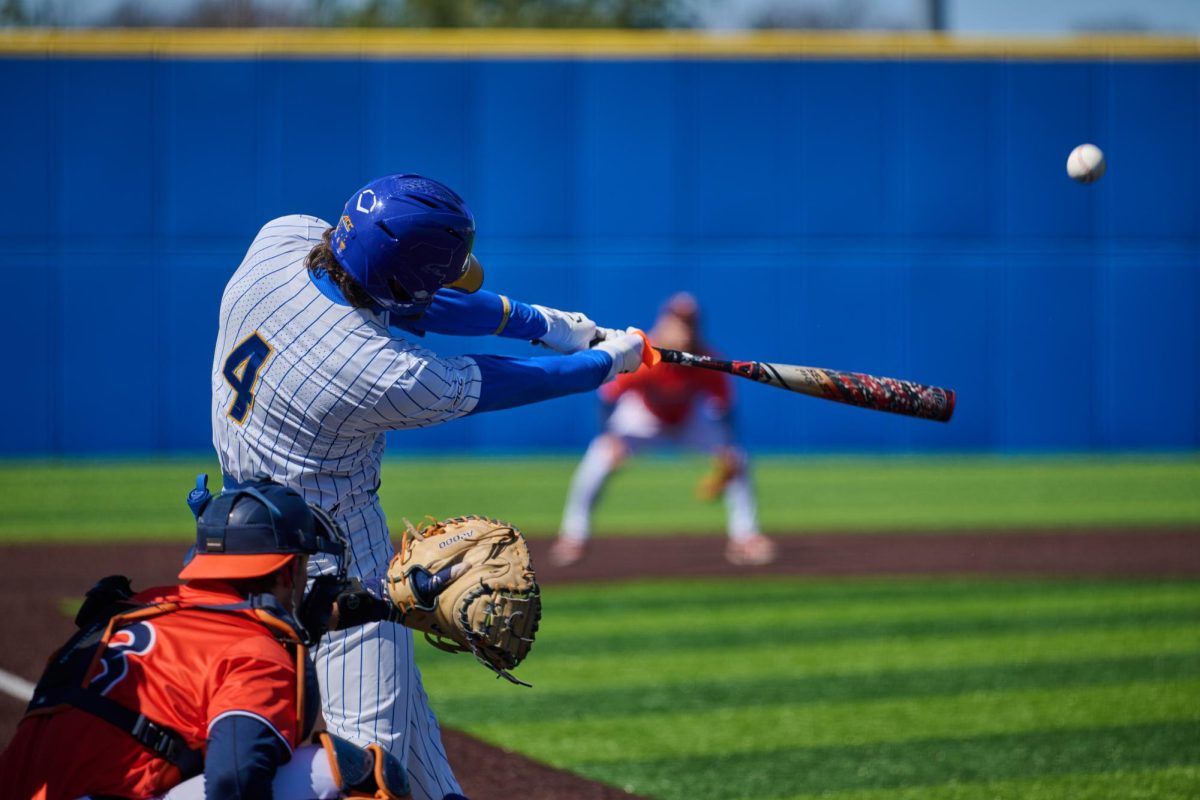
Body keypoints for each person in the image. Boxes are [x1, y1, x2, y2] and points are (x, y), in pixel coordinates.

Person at [210, 173, 645, 800]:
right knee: (366, 779)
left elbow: (410, 300)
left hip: (232, 545)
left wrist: (552, 325)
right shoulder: (371, 368)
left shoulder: (282, 240)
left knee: (421, 762)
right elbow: (495, 381)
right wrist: (604, 363)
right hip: (333, 571)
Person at [0, 479, 407, 800]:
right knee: (353, 775)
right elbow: (234, 781)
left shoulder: (136, 607)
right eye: (303, 566)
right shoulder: (255, 654)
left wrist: (308, 626)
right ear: (287, 572)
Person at [551, 292, 777, 568]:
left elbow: (724, 408)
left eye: (690, 323)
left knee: (737, 460)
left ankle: (745, 538)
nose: (685, 328)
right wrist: (610, 437)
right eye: (679, 322)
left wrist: (726, 447)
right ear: (664, 322)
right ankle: (574, 537)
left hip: (688, 419)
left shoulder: (708, 359)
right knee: (599, 458)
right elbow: (608, 398)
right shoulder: (645, 355)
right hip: (643, 416)